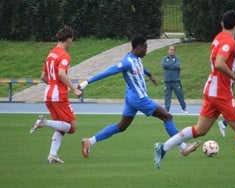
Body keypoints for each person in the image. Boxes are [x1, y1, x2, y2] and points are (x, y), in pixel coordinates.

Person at [153, 10, 235, 181]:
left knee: (201, 130)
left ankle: (163, 148)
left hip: (211, 89)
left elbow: (220, 63)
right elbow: (220, 63)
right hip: (221, 93)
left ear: (222, 24)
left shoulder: (218, 38)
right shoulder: (230, 42)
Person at [78, 35, 201, 159]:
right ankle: (183, 146)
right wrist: (87, 82)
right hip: (139, 99)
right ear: (138, 47)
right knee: (167, 117)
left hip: (132, 98)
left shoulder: (137, 58)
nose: (147, 51)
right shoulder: (127, 62)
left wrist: (149, 74)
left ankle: (91, 141)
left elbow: (141, 67)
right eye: (145, 48)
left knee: (121, 126)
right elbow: (108, 72)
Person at [29, 26, 82, 163]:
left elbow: (43, 76)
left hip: (49, 94)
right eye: (72, 40)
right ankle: (44, 122)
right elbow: (61, 73)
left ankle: (52, 155)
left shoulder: (51, 54)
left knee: (61, 126)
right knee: (72, 127)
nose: (71, 43)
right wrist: (74, 88)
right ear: (68, 39)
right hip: (59, 95)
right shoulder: (64, 55)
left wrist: (53, 85)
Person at [162, 45, 188, 114]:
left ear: (175, 51)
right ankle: (167, 110)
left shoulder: (177, 58)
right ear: (168, 50)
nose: (171, 51)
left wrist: (169, 66)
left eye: (173, 50)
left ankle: (184, 108)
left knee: (180, 95)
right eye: (170, 49)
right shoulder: (165, 58)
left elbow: (177, 66)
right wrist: (172, 65)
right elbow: (164, 65)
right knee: (167, 96)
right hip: (167, 81)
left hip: (176, 80)